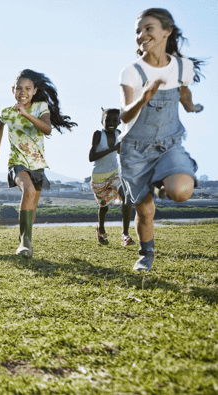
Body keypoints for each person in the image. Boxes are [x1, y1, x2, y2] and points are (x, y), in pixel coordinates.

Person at [119, 8, 204, 271]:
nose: (142, 35)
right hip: (135, 150)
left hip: (169, 144)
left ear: (166, 31)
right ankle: (146, 255)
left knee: (180, 191)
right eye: (138, 31)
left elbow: (185, 96)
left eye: (148, 28)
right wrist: (143, 98)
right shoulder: (132, 72)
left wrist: (192, 107)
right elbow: (124, 115)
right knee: (144, 210)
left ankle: (166, 180)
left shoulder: (182, 66)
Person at [0, 70, 76, 258]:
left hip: (37, 163)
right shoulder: (6, 112)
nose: (23, 92)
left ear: (35, 90)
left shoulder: (41, 107)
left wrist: (26, 114)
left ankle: (28, 239)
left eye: (28, 88)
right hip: (17, 162)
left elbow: (47, 129)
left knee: (33, 202)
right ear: (13, 90)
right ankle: (24, 242)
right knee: (28, 191)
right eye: (19, 88)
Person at [88, 108, 135, 246]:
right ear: (102, 121)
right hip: (98, 178)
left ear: (119, 122)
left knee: (126, 197)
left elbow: (121, 151)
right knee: (104, 207)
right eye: (107, 120)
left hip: (114, 173)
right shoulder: (98, 134)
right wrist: (113, 149)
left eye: (115, 120)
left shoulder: (119, 133)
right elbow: (91, 157)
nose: (111, 123)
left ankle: (125, 235)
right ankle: (100, 229)